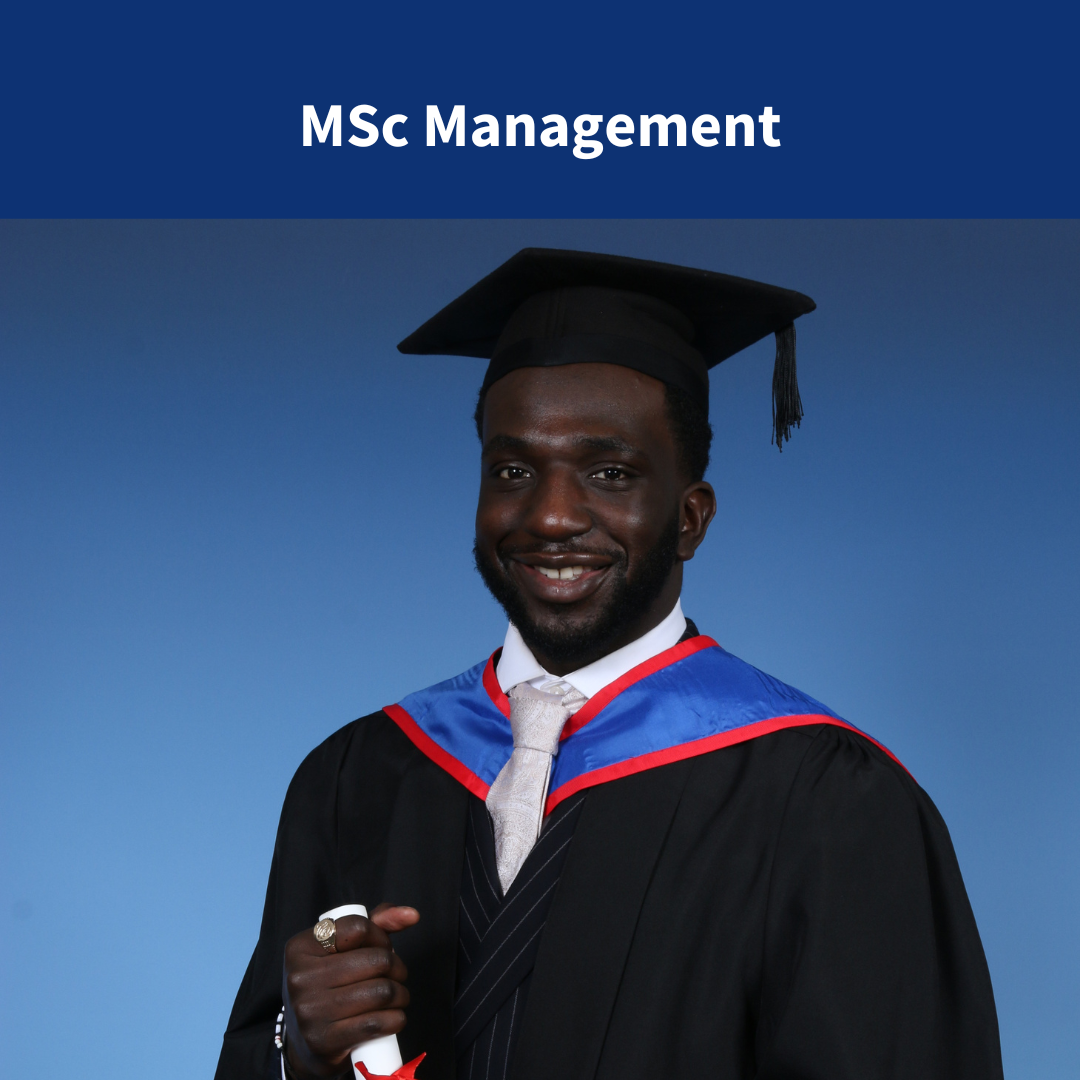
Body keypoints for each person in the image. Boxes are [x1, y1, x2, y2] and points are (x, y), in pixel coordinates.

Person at [215, 248, 1003, 1080]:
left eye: (610, 473)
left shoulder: (829, 802)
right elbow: (259, 1056)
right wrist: (299, 1056)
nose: (552, 516)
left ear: (691, 519)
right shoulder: (359, 775)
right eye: (513, 470)